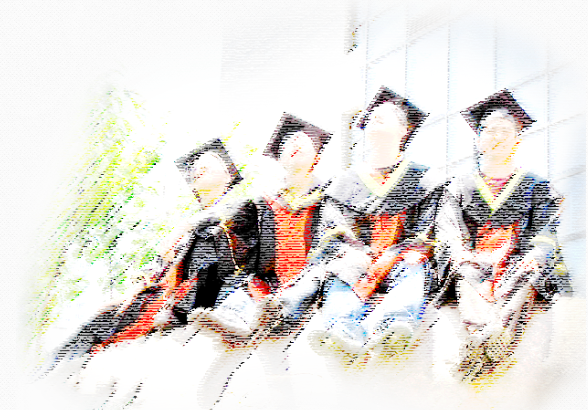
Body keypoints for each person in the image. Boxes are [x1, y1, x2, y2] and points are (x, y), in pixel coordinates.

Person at [41, 138, 258, 374]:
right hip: (162, 297)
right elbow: (157, 266)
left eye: (209, 163)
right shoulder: (184, 234)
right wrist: (136, 286)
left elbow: (231, 228)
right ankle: (51, 370)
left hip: (209, 293)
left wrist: (185, 226)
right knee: (100, 319)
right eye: (196, 166)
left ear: (228, 176)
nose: (199, 168)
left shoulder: (241, 210)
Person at [434, 89, 572, 382]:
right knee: (464, 272)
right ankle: (489, 335)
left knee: (532, 272)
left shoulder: (537, 187)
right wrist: (460, 253)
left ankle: (488, 338)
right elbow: (448, 229)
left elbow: (546, 230)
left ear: (518, 139)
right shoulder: (458, 187)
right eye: (490, 130)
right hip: (474, 265)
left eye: (506, 131)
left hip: (515, 263)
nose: (497, 137)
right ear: (478, 138)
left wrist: (536, 254)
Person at [309, 86, 444, 364]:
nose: (373, 119)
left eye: (383, 116)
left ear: (404, 130)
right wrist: (349, 251)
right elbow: (332, 227)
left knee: (414, 267)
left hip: (402, 260)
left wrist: (396, 254)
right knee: (340, 271)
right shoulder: (343, 182)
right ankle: (342, 330)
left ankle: (394, 325)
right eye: (370, 118)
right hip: (358, 260)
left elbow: (429, 226)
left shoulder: (424, 179)